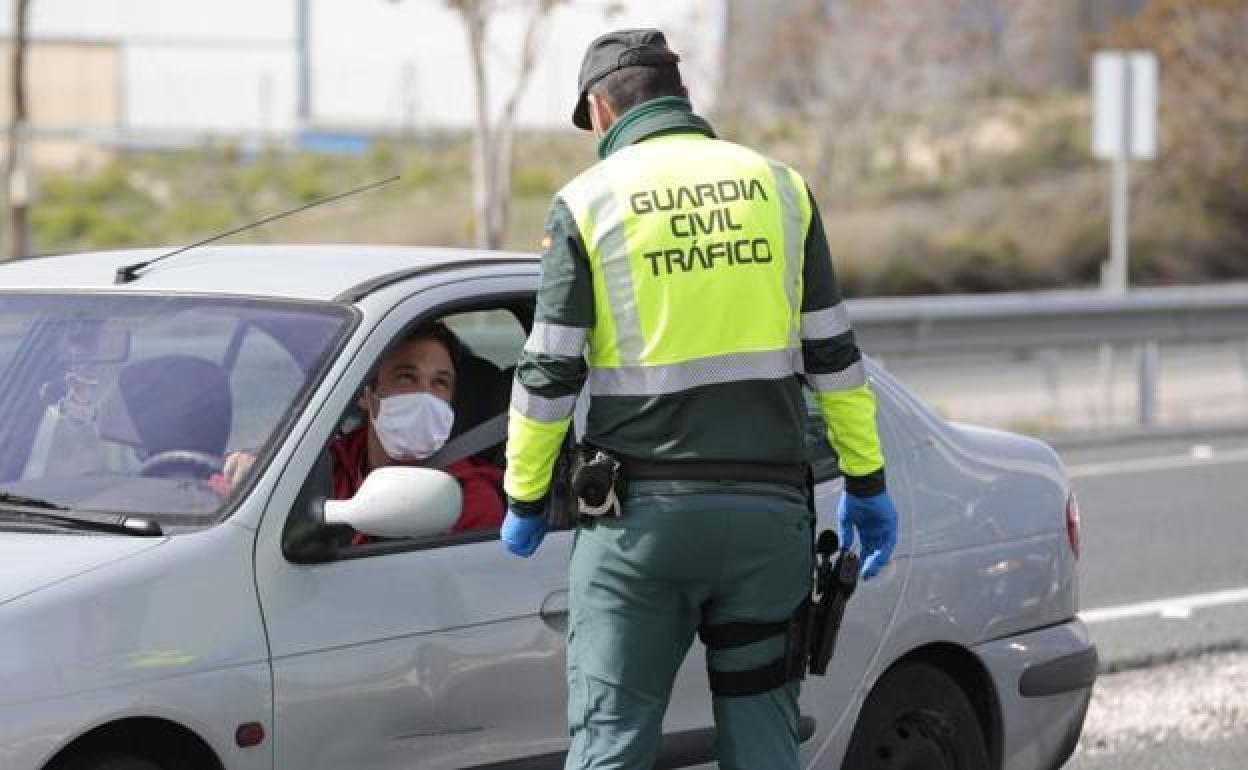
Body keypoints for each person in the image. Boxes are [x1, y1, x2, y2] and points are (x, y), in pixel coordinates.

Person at [499, 29, 900, 770]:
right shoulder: (780, 189)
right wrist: (867, 484)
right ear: (681, 98)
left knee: (612, 742)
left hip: (640, 532)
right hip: (767, 524)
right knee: (764, 743)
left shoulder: (587, 203)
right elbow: (835, 360)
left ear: (598, 109)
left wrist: (524, 497)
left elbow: (549, 371)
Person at [222, 322, 504, 535]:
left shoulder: (469, 499)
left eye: (440, 383)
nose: (425, 397)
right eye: (407, 378)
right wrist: (256, 469)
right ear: (365, 395)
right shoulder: (327, 464)